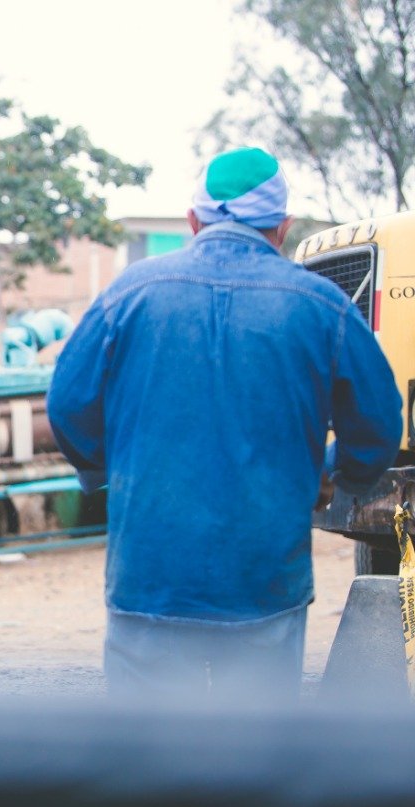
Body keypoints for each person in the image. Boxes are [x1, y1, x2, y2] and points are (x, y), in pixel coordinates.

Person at [47, 147, 402, 702]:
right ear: (282, 228)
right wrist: (337, 479)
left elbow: (68, 405)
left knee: (148, 763)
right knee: (255, 767)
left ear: (193, 222)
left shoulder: (129, 294)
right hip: (263, 579)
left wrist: (107, 471)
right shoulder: (322, 305)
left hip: (151, 575)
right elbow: (379, 422)